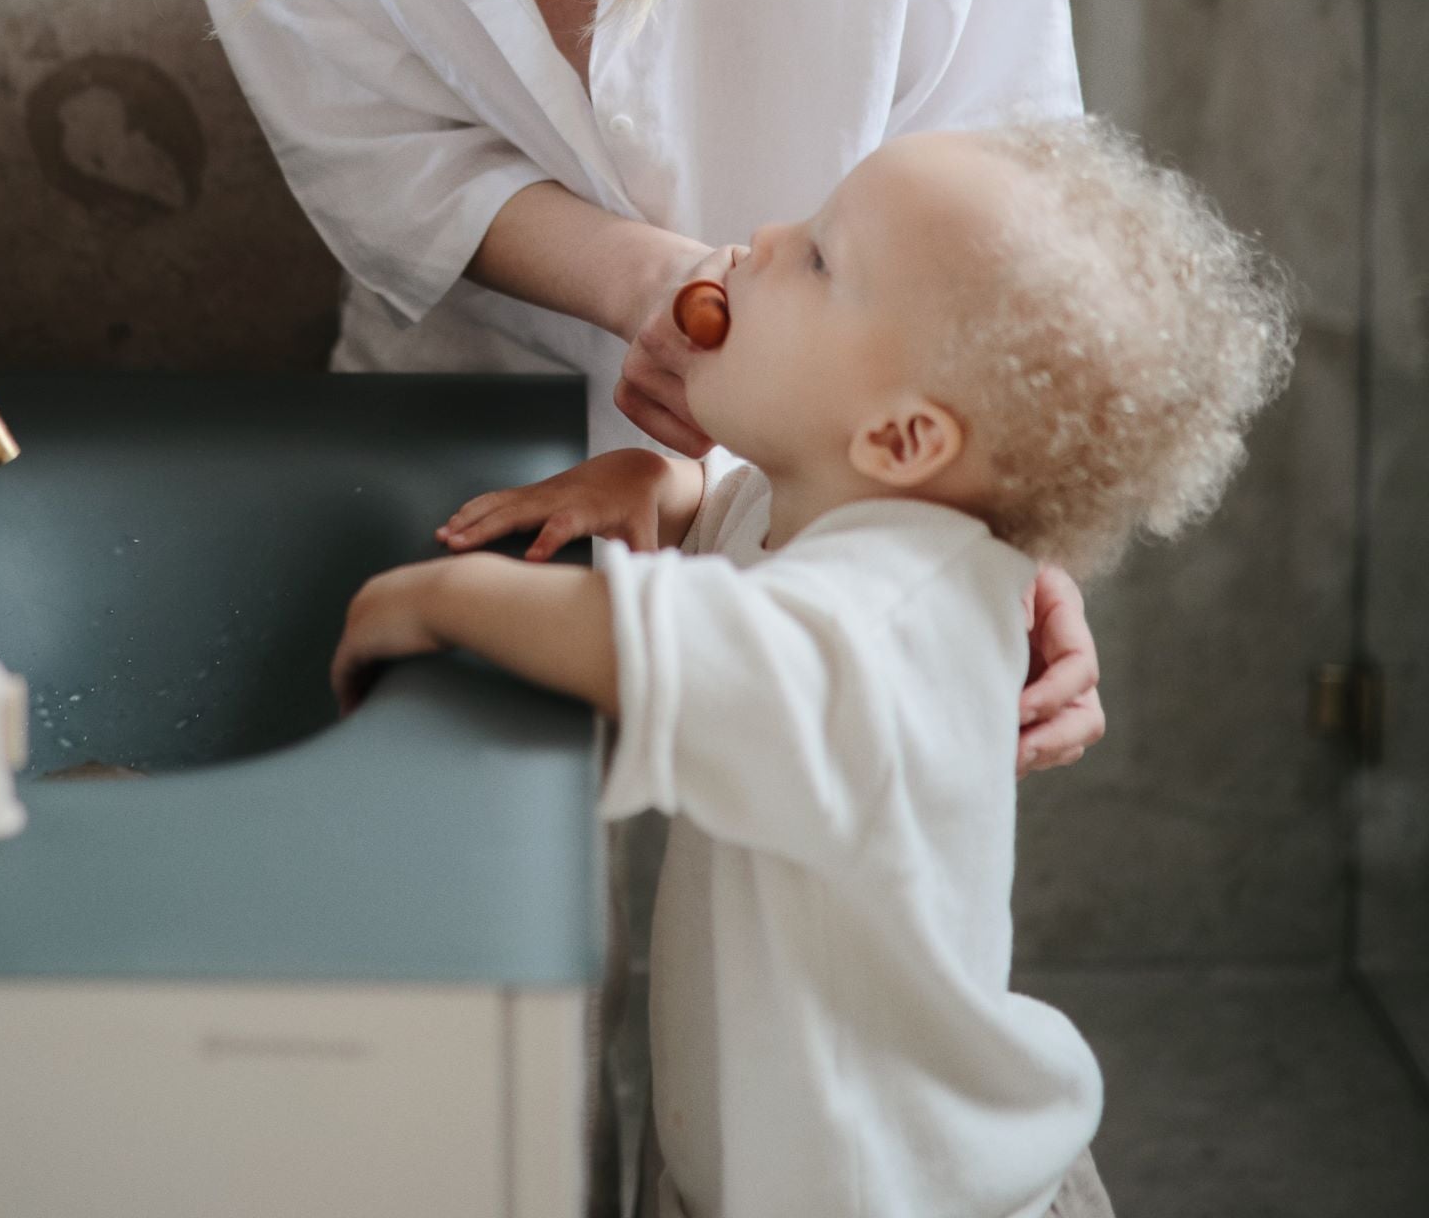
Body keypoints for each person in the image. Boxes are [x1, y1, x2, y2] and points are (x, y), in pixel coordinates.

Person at [157, 0, 1104, 1198]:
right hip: (488, 419)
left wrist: (1007, 517)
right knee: (522, 1031)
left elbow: (1008, 171)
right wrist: (662, 326)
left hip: (857, 442)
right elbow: (386, 167)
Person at [331, 117, 1297, 1218]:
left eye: (821, 256)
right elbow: (744, 534)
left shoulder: (886, 623)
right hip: (796, 1157)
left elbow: (680, 651)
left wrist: (433, 595)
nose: (761, 236)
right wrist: (661, 486)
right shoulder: (834, 513)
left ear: (896, 440)